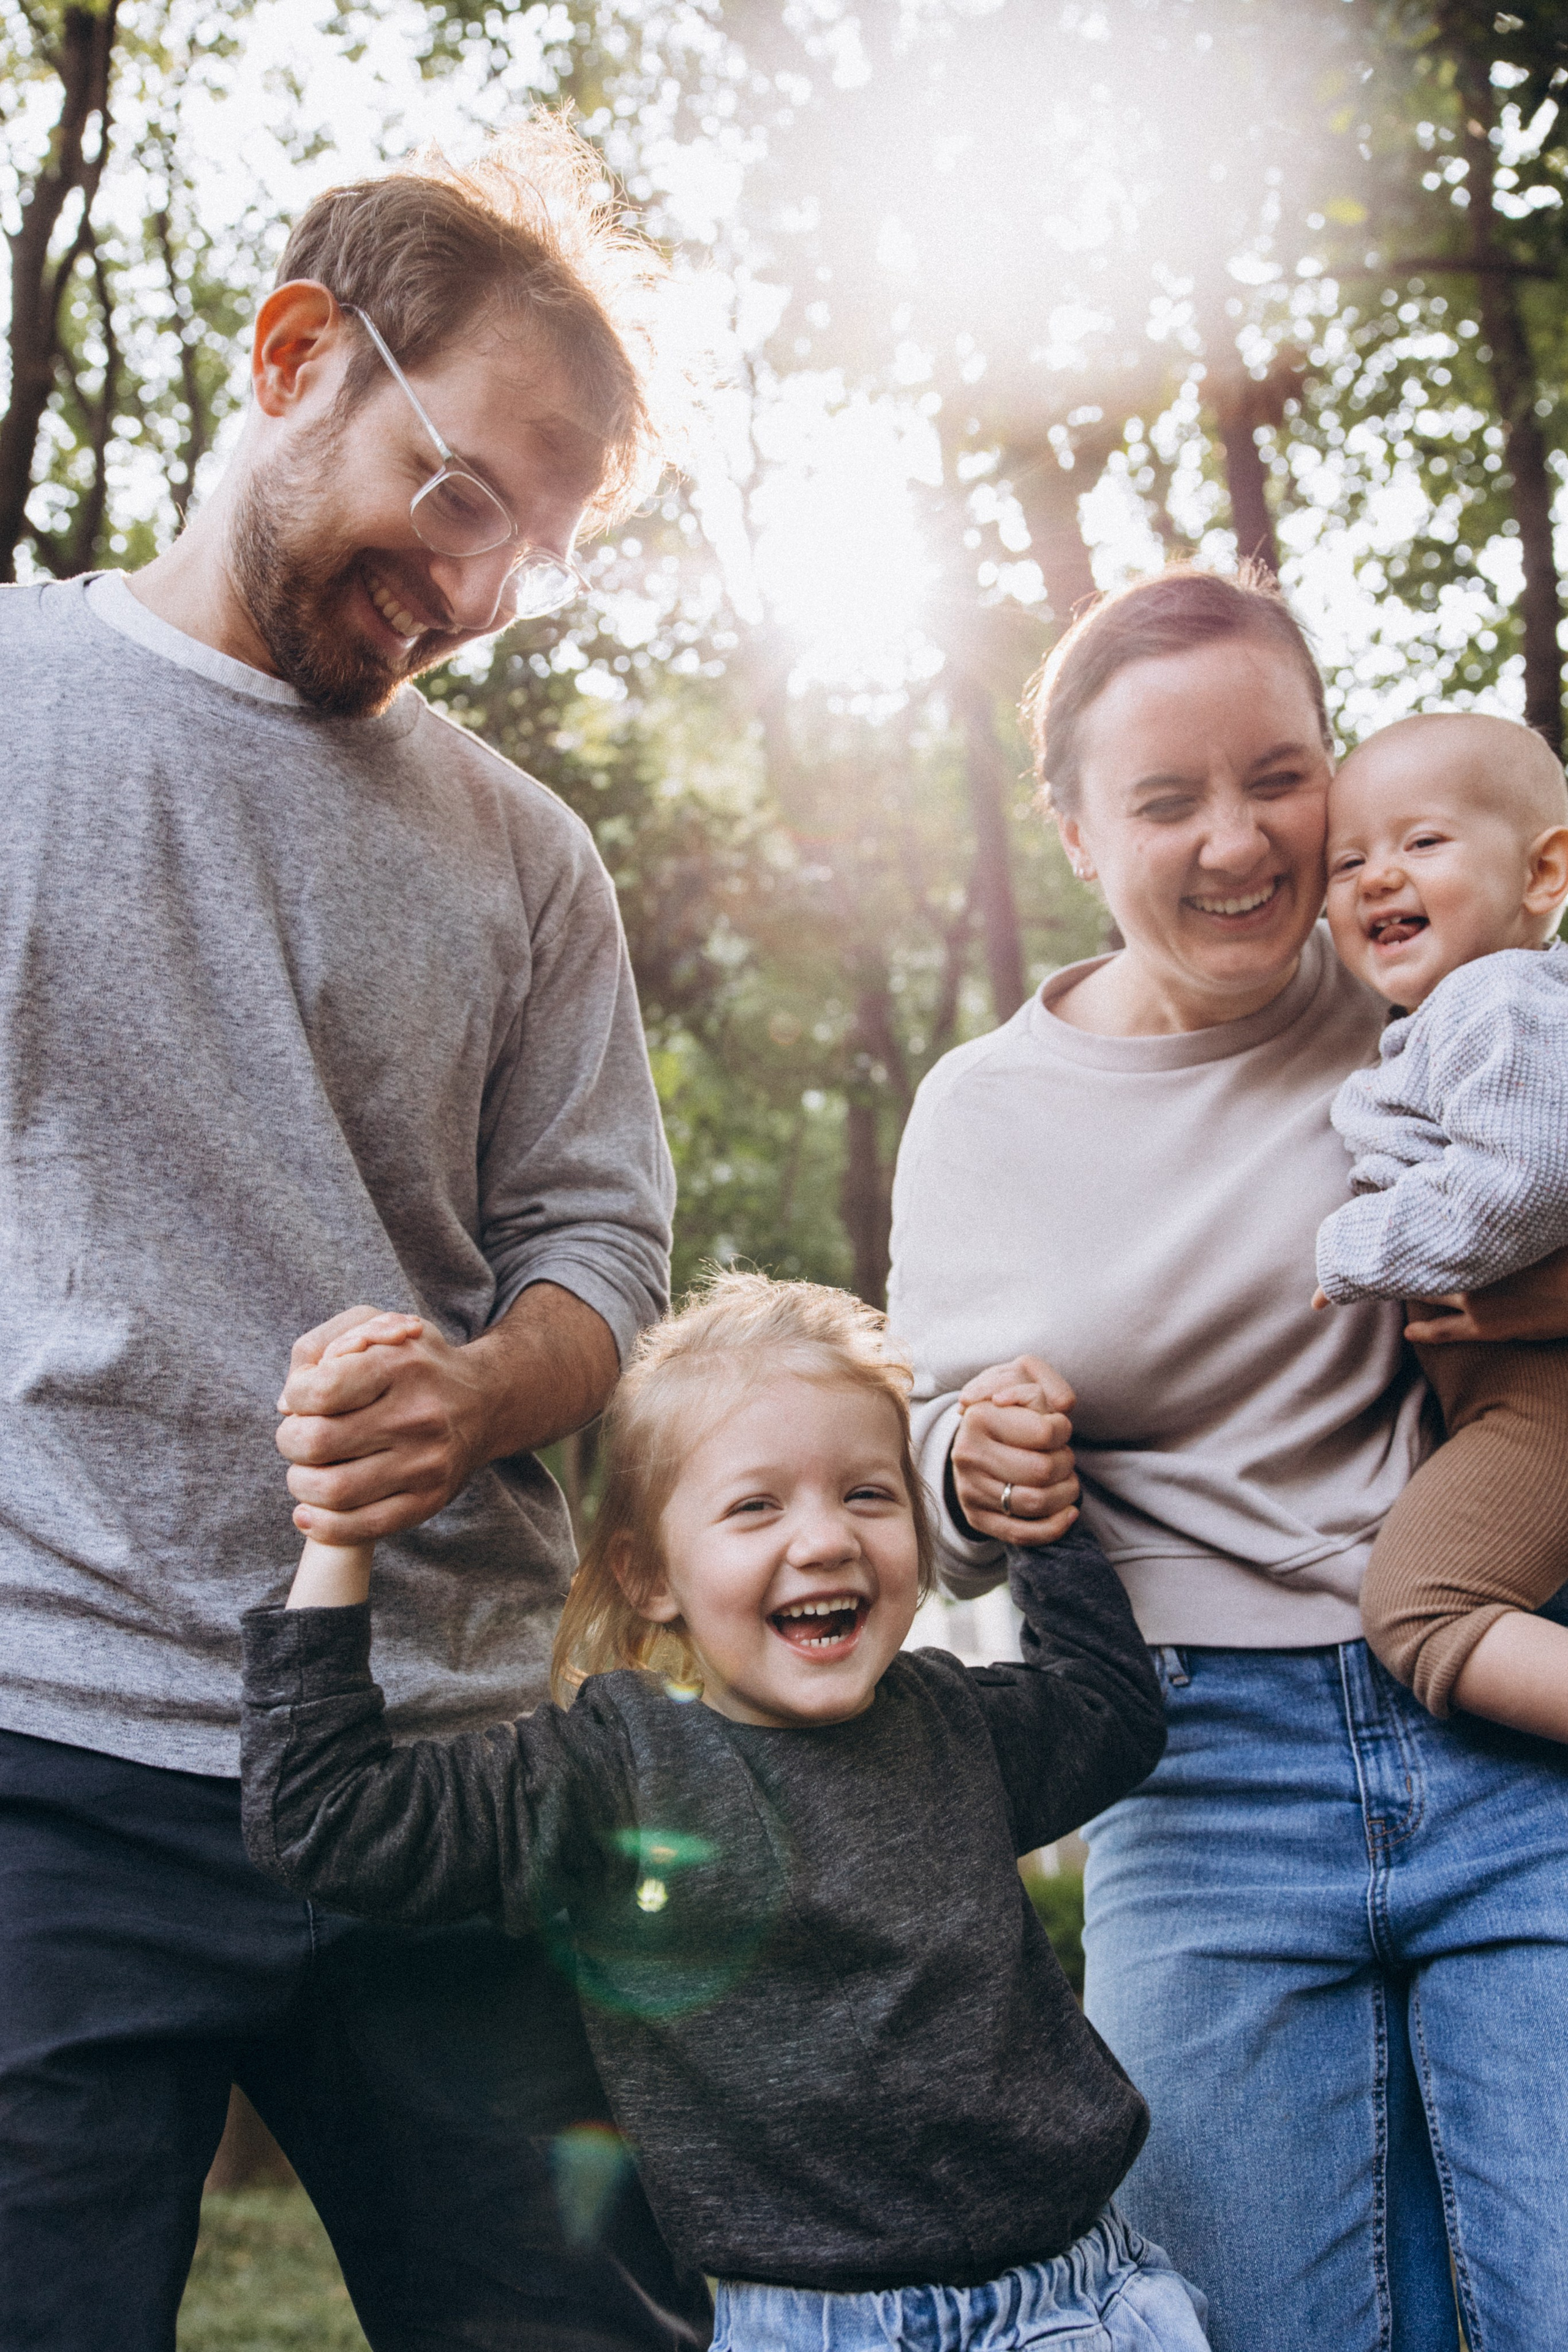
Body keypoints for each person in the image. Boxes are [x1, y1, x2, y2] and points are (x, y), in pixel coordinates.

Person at [0, 119, 711, 2351]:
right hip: (50, 1764)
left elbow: (607, 1251)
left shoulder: (527, 857)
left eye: (541, 550)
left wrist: (496, 1386)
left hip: (452, 1778)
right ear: (297, 355)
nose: (485, 590)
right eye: (465, 497)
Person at [886, 566, 1568, 2352]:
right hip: (1198, 1777)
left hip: (1502, 1711)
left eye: (1278, 777)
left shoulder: (1433, 984)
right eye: (1168, 800)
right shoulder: (985, 1109)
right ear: (1074, 831)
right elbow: (928, 1470)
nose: (1240, 841)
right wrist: (976, 1462)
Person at [238, 1274, 1209, 2352]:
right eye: (757, 1505)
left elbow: (1114, 1713)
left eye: (868, 1495)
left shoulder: (955, 1726)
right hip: (804, 2331)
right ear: (651, 1575)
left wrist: (1036, 1514)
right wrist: (338, 1534)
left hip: (1073, 2305)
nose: (828, 1539)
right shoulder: (611, 1773)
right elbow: (324, 1819)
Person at [1313, 712, 1568, 1740]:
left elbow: (1527, 1179)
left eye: (1423, 843)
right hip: (1511, 1391)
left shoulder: (1495, 998)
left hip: (1542, 1392)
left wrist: (1356, 1247)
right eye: (1349, 860)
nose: (1379, 877)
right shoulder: (1459, 1014)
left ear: (1543, 875)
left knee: (1425, 1605)